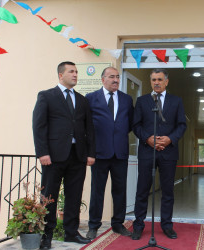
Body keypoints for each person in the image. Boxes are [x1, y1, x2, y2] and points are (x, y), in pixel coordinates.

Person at [32, 61, 96, 249]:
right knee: (48, 197)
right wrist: (42, 152)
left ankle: (71, 232)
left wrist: (91, 153)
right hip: (53, 157)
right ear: (61, 75)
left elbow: (89, 129)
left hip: (77, 156)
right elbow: (39, 126)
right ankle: (47, 235)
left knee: (74, 196)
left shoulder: (82, 100)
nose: (75, 74)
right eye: (71, 72)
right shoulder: (46, 96)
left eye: (76, 72)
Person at [131, 68, 187, 240]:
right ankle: (139, 225)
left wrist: (169, 139)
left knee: (168, 191)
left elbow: (182, 125)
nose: (156, 82)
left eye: (160, 79)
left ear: (166, 81)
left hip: (168, 152)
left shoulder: (176, 101)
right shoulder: (141, 101)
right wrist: (148, 138)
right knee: (142, 190)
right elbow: (136, 125)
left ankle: (167, 225)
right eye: (154, 79)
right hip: (147, 152)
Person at [85, 67, 134, 239]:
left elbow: (129, 125)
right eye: (111, 77)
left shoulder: (127, 99)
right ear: (102, 79)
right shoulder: (91, 98)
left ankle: (118, 224)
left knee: (120, 190)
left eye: (117, 77)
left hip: (120, 153)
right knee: (97, 191)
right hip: (99, 154)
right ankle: (93, 226)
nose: (115, 80)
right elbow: (87, 127)